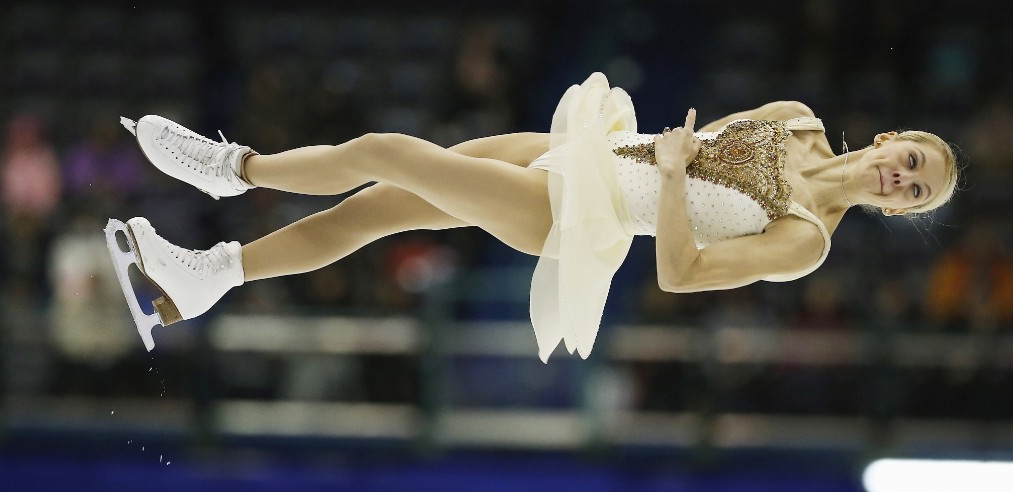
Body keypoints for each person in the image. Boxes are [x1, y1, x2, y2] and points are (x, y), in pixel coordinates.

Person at [106, 72, 959, 361]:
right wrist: (665, 156)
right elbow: (697, 146)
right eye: (912, 161)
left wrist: (665, 176)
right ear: (894, 138)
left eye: (914, 192)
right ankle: (209, 274)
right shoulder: (799, 116)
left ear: (899, 213)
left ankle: (231, 169)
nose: (900, 179)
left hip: (583, 211)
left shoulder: (808, 239)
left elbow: (680, 271)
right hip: (591, 147)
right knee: (378, 209)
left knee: (389, 152)